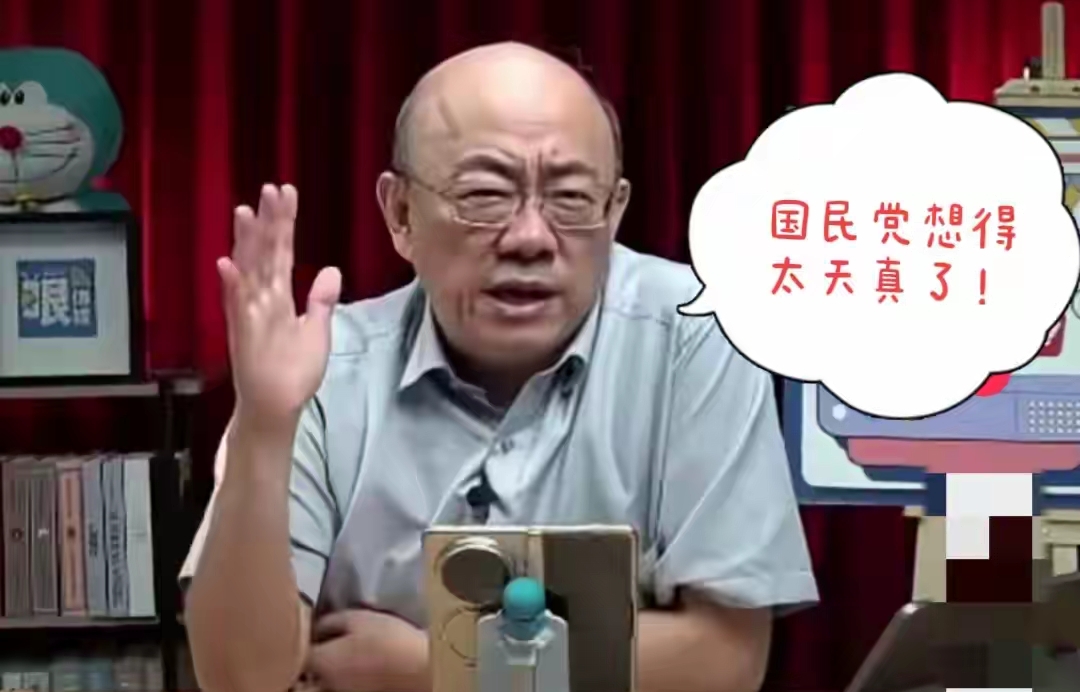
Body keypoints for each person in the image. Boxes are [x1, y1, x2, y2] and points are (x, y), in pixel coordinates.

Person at [180, 41, 818, 692]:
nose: (530, 239)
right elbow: (239, 679)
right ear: (401, 214)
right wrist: (264, 427)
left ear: (614, 211)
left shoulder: (694, 337)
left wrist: (436, 668)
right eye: (484, 195)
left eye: (572, 197)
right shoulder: (324, 368)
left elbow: (724, 661)